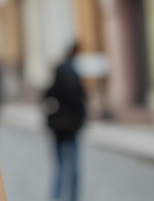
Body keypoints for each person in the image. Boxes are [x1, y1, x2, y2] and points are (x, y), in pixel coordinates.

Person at [42, 42, 86, 201]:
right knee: (72, 165)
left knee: (60, 165)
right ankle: (72, 196)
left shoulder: (59, 74)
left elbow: (47, 99)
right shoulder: (73, 74)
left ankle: (56, 196)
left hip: (58, 128)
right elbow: (80, 100)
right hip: (71, 127)